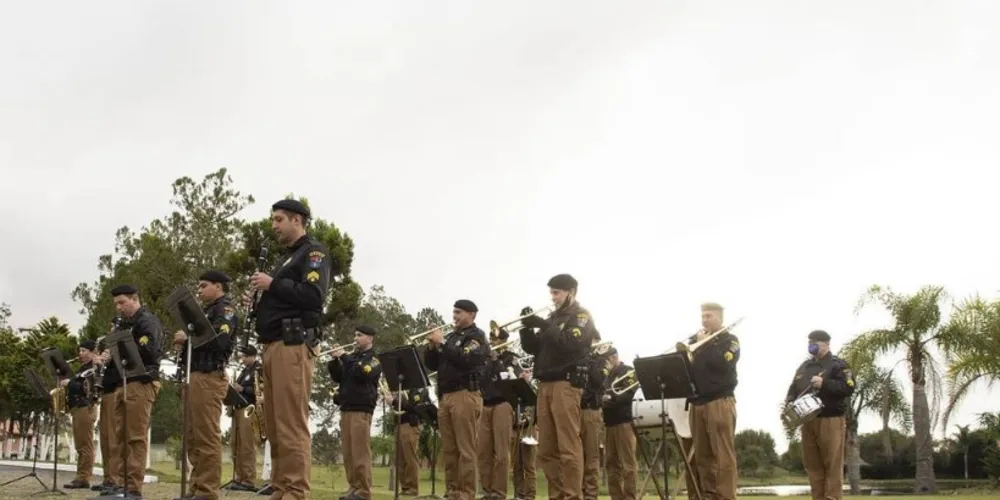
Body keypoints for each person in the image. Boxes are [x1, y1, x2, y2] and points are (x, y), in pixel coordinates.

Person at [250, 198, 332, 500]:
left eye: (279, 219)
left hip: (293, 345)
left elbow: (313, 296)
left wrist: (272, 285)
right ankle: (282, 488)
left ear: (297, 220)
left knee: (291, 424)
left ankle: (296, 491)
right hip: (273, 345)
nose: (274, 226)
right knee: (275, 426)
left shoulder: (313, 253)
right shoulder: (286, 259)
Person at [518, 274, 598, 500]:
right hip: (544, 385)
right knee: (547, 449)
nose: (552, 297)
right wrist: (526, 328)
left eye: (556, 293)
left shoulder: (581, 316)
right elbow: (534, 348)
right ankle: (557, 495)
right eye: (551, 292)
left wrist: (544, 324)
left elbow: (570, 344)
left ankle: (573, 495)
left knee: (568, 445)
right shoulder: (553, 318)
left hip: (565, 384)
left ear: (570, 292)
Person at [170, 269, 239, 500]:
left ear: (218, 287)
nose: (199, 290)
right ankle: (197, 486)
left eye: (203, 286)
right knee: (193, 436)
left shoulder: (225, 310)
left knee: (207, 435)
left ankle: (208, 490)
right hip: (195, 374)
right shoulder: (206, 312)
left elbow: (220, 341)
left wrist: (187, 339)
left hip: (209, 377)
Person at [423, 300, 490, 500]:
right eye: (454, 312)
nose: (454, 316)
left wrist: (443, 342)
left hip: (465, 394)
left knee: (465, 448)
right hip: (445, 395)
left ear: (471, 315)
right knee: (450, 449)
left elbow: (465, 358)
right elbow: (432, 364)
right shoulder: (451, 337)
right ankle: (452, 491)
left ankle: (466, 493)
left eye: (459, 312)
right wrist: (432, 347)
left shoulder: (476, 336)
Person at [107, 284, 164, 498]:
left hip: (141, 382)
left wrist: (124, 344)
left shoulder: (146, 321)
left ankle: (133, 488)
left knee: (135, 437)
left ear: (135, 299)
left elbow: (150, 351)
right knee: (120, 437)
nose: (119, 308)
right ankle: (120, 485)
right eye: (116, 305)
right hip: (124, 382)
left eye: (122, 302)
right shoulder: (125, 324)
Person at [784, 330, 855, 500]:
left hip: (830, 419)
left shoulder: (839, 365)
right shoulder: (804, 367)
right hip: (807, 420)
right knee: (813, 465)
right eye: (810, 341)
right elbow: (793, 388)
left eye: (816, 341)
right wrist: (789, 401)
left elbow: (848, 387)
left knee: (832, 464)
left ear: (827, 344)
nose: (812, 345)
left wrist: (825, 383)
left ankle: (832, 497)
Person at [686, 302, 740, 500]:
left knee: (723, 456)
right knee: (703, 457)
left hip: (719, 401)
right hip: (697, 403)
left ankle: (726, 496)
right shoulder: (695, 342)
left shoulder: (730, 341)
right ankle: (708, 496)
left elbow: (723, 364)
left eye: (709, 316)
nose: (704, 320)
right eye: (703, 316)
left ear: (720, 319)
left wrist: (706, 344)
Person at [327, 325, 381, 500]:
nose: (355, 338)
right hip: (346, 407)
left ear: (370, 338)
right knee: (348, 452)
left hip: (361, 408)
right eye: (355, 334)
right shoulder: (353, 358)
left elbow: (362, 374)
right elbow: (338, 377)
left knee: (360, 451)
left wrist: (343, 355)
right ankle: (354, 487)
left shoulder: (374, 359)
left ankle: (364, 491)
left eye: (359, 335)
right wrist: (335, 360)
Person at [477, 329, 517, 500]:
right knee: (483, 451)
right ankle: (487, 490)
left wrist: (497, 361)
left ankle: (499, 492)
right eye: (491, 339)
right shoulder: (485, 359)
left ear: (504, 340)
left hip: (502, 403)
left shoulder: (510, 357)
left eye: (496, 339)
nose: (492, 342)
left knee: (501, 451)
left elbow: (510, 379)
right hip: (485, 404)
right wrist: (489, 361)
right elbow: (482, 379)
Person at [600, 348, 638, 500]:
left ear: (614, 357)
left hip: (624, 422)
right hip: (609, 423)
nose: (605, 364)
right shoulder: (605, 376)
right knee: (610, 463)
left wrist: (609, 398)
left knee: (627, 464)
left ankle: (630, 497)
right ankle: (616, 496)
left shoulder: (627, 371)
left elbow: (629, 394)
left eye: (607, 360)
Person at [62, 340, 99, 489]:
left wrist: (69, 383)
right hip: (77, 407)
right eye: (80, 350)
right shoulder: (82, 368)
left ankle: (84, 477)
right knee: (80, 444)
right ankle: (80, 475)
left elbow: (86, 388)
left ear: (92, 352)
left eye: (84, 350)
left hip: (85, 406)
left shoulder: (93, 368)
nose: (80, 353)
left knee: (85, 444)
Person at [228, 345, 262, 492]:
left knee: (247, 443)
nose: (242, 359)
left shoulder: (259, 370)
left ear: (253, 356)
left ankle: (248, 479)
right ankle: (239, 476)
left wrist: (243, 389)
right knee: (236, 443)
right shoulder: (243, 371)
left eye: (245, 356)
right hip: (238, 408)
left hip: (250, 408)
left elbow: (261, 389)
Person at [581, 335, 610, 500]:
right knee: (576, 454)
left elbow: (598, 380)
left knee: (591, 454)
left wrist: (591, 358)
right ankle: (578, 491)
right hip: (575, 410)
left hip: (591, 410)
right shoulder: (580, 358)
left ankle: (591, 494)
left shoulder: (601, 361)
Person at [394, 386, 431, 496]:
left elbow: (414, 407)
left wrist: (394, 401)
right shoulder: (401, 387)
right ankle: (405, 487)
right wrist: (392, 401)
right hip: (399, 424)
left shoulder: (420, 388)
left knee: (410, 457)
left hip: (410, 425)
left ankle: (413, 488)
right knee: (400, 459)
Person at [510, 368, 538, 500]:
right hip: (516, 429)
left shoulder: (535, 389)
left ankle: (530, 495)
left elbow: (537, 409)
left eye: (526, 372)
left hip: (529, 428)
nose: (523, 374)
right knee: (516, 465)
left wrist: (527, 419)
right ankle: (518, 494)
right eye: (522, 372)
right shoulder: (515, 392)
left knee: (529, 465)